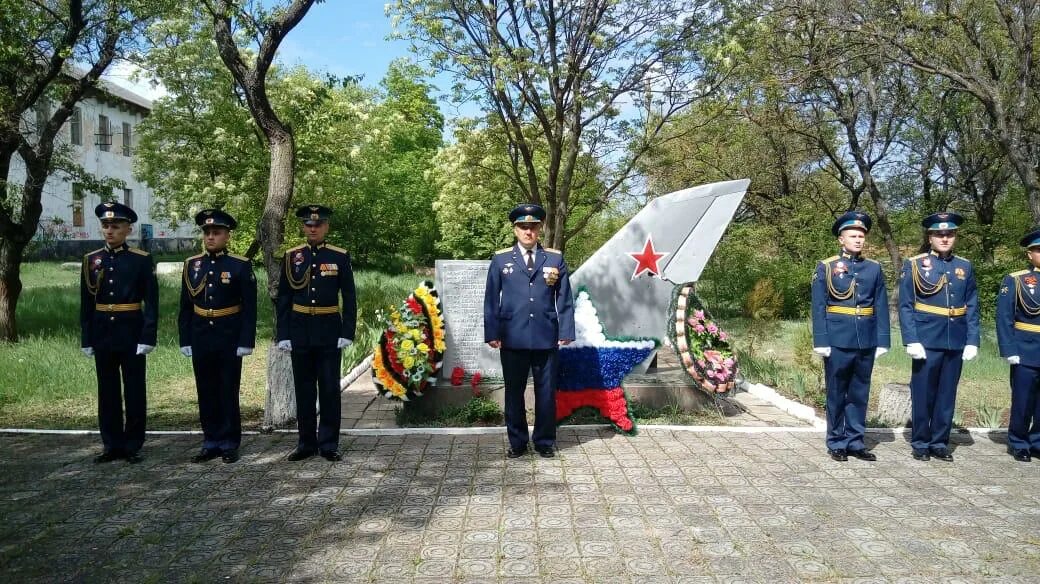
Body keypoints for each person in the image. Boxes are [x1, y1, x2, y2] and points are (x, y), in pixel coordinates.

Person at [484, 203, 575, 458]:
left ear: (540, 229)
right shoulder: (501, 260)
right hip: (512, 337)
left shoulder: (554, 259)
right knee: (514, 393)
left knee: (546, 394)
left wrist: (565, 330)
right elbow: (491, 298)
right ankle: (518, 442)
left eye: (533, 227)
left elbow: (565, 298)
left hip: (546, 337)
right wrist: (492, 332)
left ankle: (545, 442)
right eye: (523, 227)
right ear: (515, 229)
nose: (528, 231)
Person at [79, 202, 158, 464]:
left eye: (115, 226)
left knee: (134, 390)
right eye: (105, 226)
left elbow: (151, 302)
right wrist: (87, 338)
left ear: (128, 229)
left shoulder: (141, 259)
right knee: (108, 391)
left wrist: (148, 336)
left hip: (131, 331)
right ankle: (111, 444)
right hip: (103, 332)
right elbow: (86, 303)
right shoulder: (92, 260)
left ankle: (132, 444)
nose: (109, 231)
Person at [276, 205, 356, 462]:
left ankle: (329, 443)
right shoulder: (292, 257)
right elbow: (284, 298)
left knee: (330, 389)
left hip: (329, 330)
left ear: (326, 227)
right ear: (303, 227)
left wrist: (347, 331)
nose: (313, 228)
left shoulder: (339, 257)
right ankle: (306, 442)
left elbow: (350, 297)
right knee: (304, 389)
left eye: (318, 224)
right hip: (300, 330)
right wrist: (283, 333)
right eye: (308, 225)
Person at [898, 212, 979, 462]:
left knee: (947, 394)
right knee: (923, 392)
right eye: (939, 234)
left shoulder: (964, 266)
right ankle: (921, 442)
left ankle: (940, 442)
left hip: (955, 339)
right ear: (930, 237)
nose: (945, 238)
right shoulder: (915, 264)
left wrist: (972, 340)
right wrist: (911, 339)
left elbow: (973, 305)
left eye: (950, 234)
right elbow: (906, 305)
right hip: (926, 339)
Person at [178, 209, 257, 464]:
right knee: (206, 390)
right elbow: (185, 306)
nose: (210, 237)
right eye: (207, 233)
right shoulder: (192, 264)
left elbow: (250, 308)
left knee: (227, 389)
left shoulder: (240, 265)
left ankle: (229, 442)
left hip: (228, 334)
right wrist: (185, 338)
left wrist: (246, 341)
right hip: (201, 334)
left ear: (227, 236)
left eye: (216, 233)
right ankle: (210, 440)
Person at [811, 211, 890, 462]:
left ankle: (855, 441)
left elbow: (881, 305)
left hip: (865, 338)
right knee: (837, 391)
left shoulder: (873, 268)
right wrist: (821, 340)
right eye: (852, 235)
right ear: (841, 239)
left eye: (861, 236)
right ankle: (836, 441)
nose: (858, 240)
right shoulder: (827, 266)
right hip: (837, 338)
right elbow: (819, 305)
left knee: (859, 392)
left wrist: (883, 339)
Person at [995, 227, 1040, 462]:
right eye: (1039, 250)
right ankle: (1019, 442)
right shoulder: (1017, 280)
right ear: (1029, 254)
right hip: (1026, 349)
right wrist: (1009, 349)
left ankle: (1038, 442)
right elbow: (1004, 317)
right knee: (1023, 400)